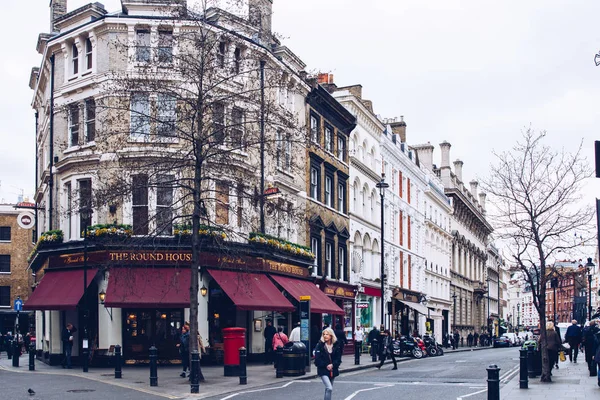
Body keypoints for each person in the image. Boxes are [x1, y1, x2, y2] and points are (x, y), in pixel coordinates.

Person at [314, 327, 342, 400]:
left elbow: (338, 359)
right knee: (329, 388)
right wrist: (326, 365)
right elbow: (317, 359)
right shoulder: (319, 345)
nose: (325, 336)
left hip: (333, 370)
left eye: (327, 334)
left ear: (331, 336)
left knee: (329, 389)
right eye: (324, 334)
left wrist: (332, 365)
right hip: (323, 369)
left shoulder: (336, 346)